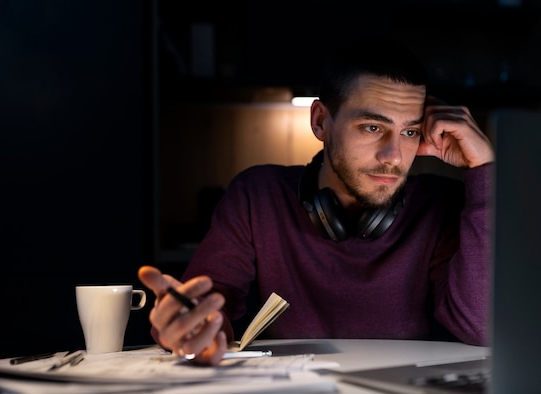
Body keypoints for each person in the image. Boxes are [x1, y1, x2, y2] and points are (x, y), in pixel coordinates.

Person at [138, 36, 495, 365]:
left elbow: (481, 326)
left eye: (409, 132)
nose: (394, 156)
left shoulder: (441, 204)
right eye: (373, 127)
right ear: (321, 121)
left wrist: (485, 171)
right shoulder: (256, 195)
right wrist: (189, 325)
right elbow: (209, 309)